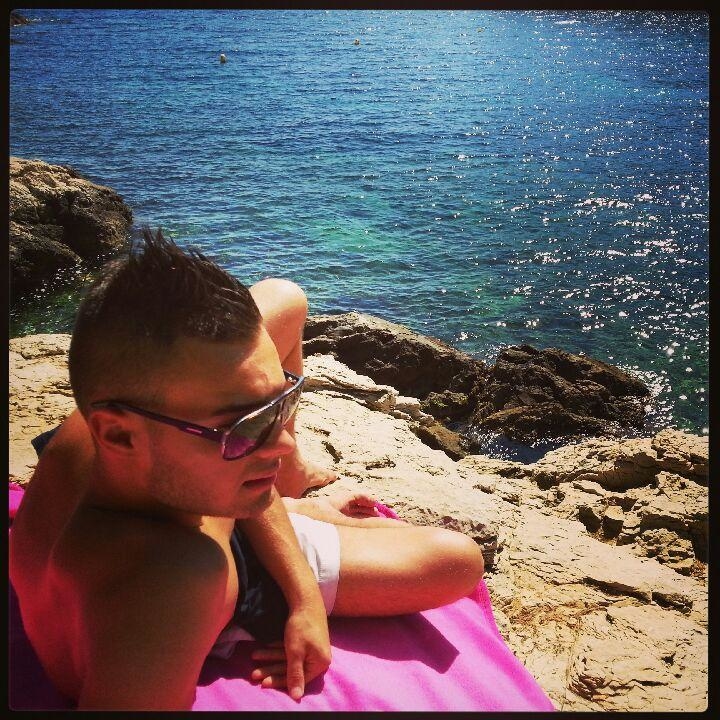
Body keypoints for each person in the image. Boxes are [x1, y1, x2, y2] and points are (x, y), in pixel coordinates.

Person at [9, 229, 485, 710]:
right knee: (457, 560)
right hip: (214, 570)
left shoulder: (116, 430)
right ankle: (307, 513)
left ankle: (294, 495)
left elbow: (226, 468)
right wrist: (299, 599)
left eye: (282, 400)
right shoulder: (171, 581)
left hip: (208, 501)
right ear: (118, 435)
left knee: (284, 297)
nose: (283, 443)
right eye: (244, 425)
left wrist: (305, 599)